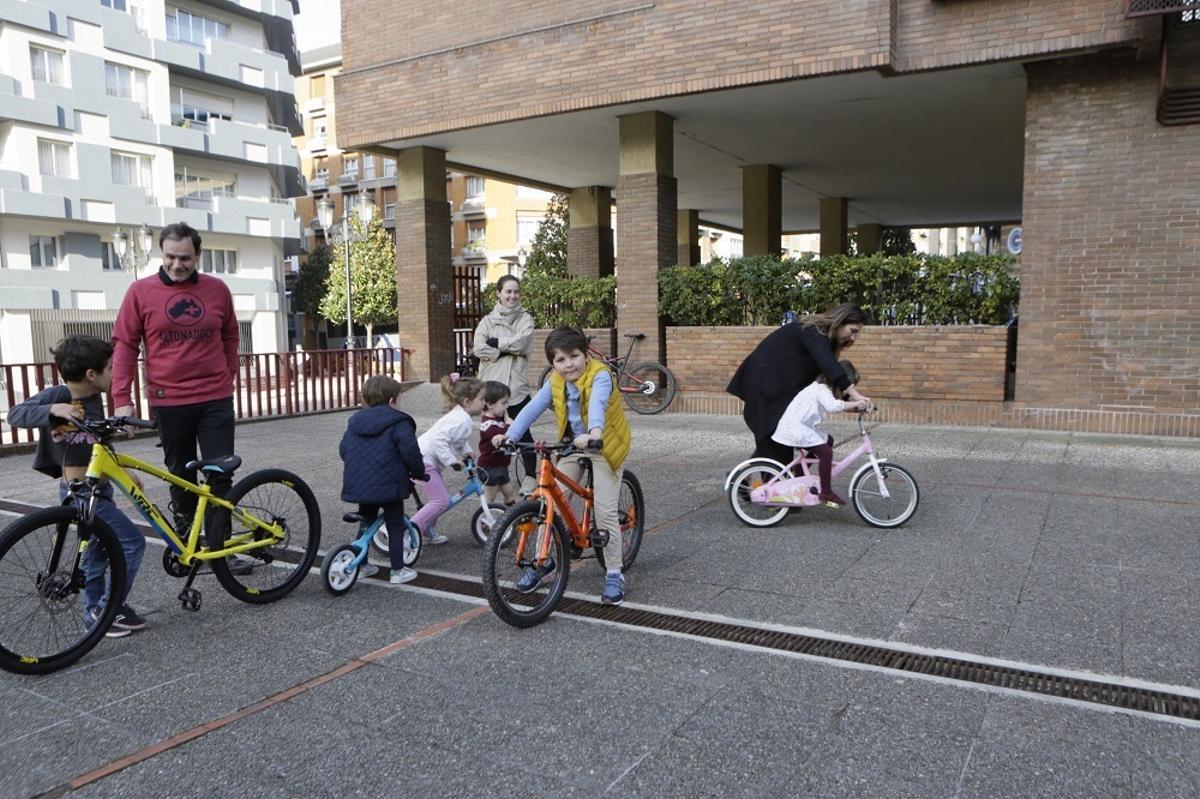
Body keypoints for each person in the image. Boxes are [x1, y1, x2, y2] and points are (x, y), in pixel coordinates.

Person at [111, 222, 243, 563]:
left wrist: (228, 372)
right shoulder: (140, 292)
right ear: (161, 253)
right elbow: (125, 345)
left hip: (214, 397)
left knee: (219, 475)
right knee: (180, 473)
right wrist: (122, 401)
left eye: (185, 257)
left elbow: (230, 333)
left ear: (198, 254)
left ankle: (220, 549)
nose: (177, 264)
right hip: (169, 400)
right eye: (170, 256)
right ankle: (187, 541)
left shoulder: (217, 290)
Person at [7, 336, 148, 637]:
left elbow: (99, 443)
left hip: (101, 490)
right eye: (110, 368)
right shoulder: (59, 394)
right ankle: (111, 607)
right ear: (91, 374)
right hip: (78, 491)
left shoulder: (94, 399)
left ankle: (95, 608)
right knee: (133, 543)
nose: (115, 373)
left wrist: (121, 469)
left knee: (99, 551)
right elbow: (16, 414)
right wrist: (55, 410)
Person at [502, 327, 631, 606]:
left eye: (573, 356)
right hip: (572, 444)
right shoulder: (554, 381)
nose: (568, 364)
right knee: (551, 501)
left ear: (585, 355)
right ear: (552, 364)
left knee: (605, 510)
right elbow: (533, 408)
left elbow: (597, 405)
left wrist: (595, 433)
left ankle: (613, 572)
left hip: (603, 444)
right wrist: (510, 436)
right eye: (560, 360)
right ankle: (542, 561)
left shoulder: (600, 376)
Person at [726, 302, 873, 466]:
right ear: (840, 321)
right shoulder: (812, 330)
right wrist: (856, 395)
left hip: (779, 394)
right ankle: (773, 485)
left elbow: (825, 383)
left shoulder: (824, 342)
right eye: (852, 331)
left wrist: (851, 403)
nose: (853, 338)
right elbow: (830, 366)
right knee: (778, 454)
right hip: (766, 393)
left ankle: (747, 479)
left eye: (856, 334)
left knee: (782, 446)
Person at [339, 375, 428, 584]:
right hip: (390, 485)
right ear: (391, 401)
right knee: (395, 524)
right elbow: (410, 453)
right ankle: (397, 570)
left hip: (360, 483)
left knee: (366, 521)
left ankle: (361, 565)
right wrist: (419, 472)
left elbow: (344, 450)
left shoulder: (355, 422)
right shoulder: (399, 422)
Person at [771, 361, 869, 507]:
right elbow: (833, 406)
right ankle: (826, 492)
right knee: (825, 453)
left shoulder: (822, 389)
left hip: (800, 426)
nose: (845, 392)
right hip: (795, 428)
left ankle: (799, 472)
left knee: (827, 440)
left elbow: (838, 405)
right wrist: (856, 403)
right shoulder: (821, 389)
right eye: (846, 388)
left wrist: (861, 407)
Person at [473, 275, 536, 491]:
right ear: (499, 293)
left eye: (516, 291)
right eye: (508, 291)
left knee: (522, 431)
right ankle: (492, 474)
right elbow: (479, 347)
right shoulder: (487, 321)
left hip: (516, 386)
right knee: (491, 433)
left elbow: (524, 344)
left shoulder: (525, 319)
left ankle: (530, 477)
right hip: (492, 386)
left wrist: (498, 344)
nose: (512, 296)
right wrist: (506, 351)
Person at [409, 374, 487, 545]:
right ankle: (409, 532)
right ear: (467, 402)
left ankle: (425, 531)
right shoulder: (460, 420)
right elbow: (439, 440)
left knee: (438, 500)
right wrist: (452, 461)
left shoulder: (461, 417)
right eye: (481, 399)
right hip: (422, 461)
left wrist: (466, 451)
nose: (484, 403)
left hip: (424, 459)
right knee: (441, 501)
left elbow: (457, 439)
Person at [477, 381, 517, 507]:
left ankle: (512, 516)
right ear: (489, 405)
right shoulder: (488, 423)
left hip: (501, 466)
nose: (507, 407)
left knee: (509, 492)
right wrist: (509, 426)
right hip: (490, 468)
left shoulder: (499, 420)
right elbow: (497, 436)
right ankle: (483, 521)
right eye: (503, 403)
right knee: (490, 496)